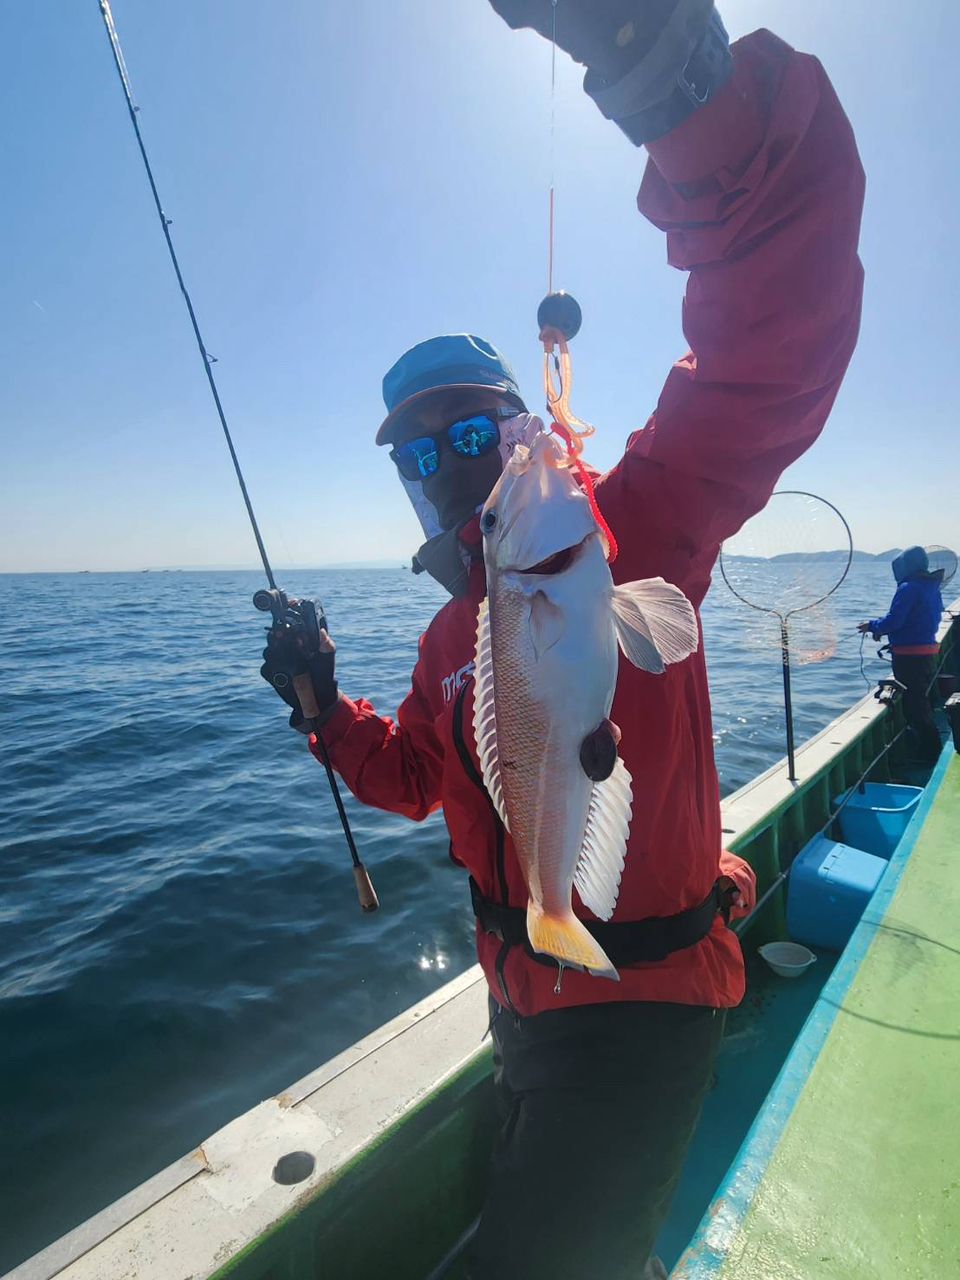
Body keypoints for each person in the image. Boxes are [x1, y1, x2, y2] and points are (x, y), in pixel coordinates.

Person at [262, 4, 865, 1276]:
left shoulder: (641, 523)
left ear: (527, 426)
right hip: (523, 994)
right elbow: (425, 777)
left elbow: (777, 329)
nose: (446, 471)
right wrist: (326, 709)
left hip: (639, 1013)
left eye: (473, 435)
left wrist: (668, 68)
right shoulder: (447, 635)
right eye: (418, 457)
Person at [859, 547, 944, 764]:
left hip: (910, 656)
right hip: (926, 652)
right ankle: (928, 746)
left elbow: (895, 621)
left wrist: (873, 626)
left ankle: (930, 753)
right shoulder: (931, 586)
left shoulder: (908, 588)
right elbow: (919, 618)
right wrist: (886, 632)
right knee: (920, 700)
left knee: (915, 705)